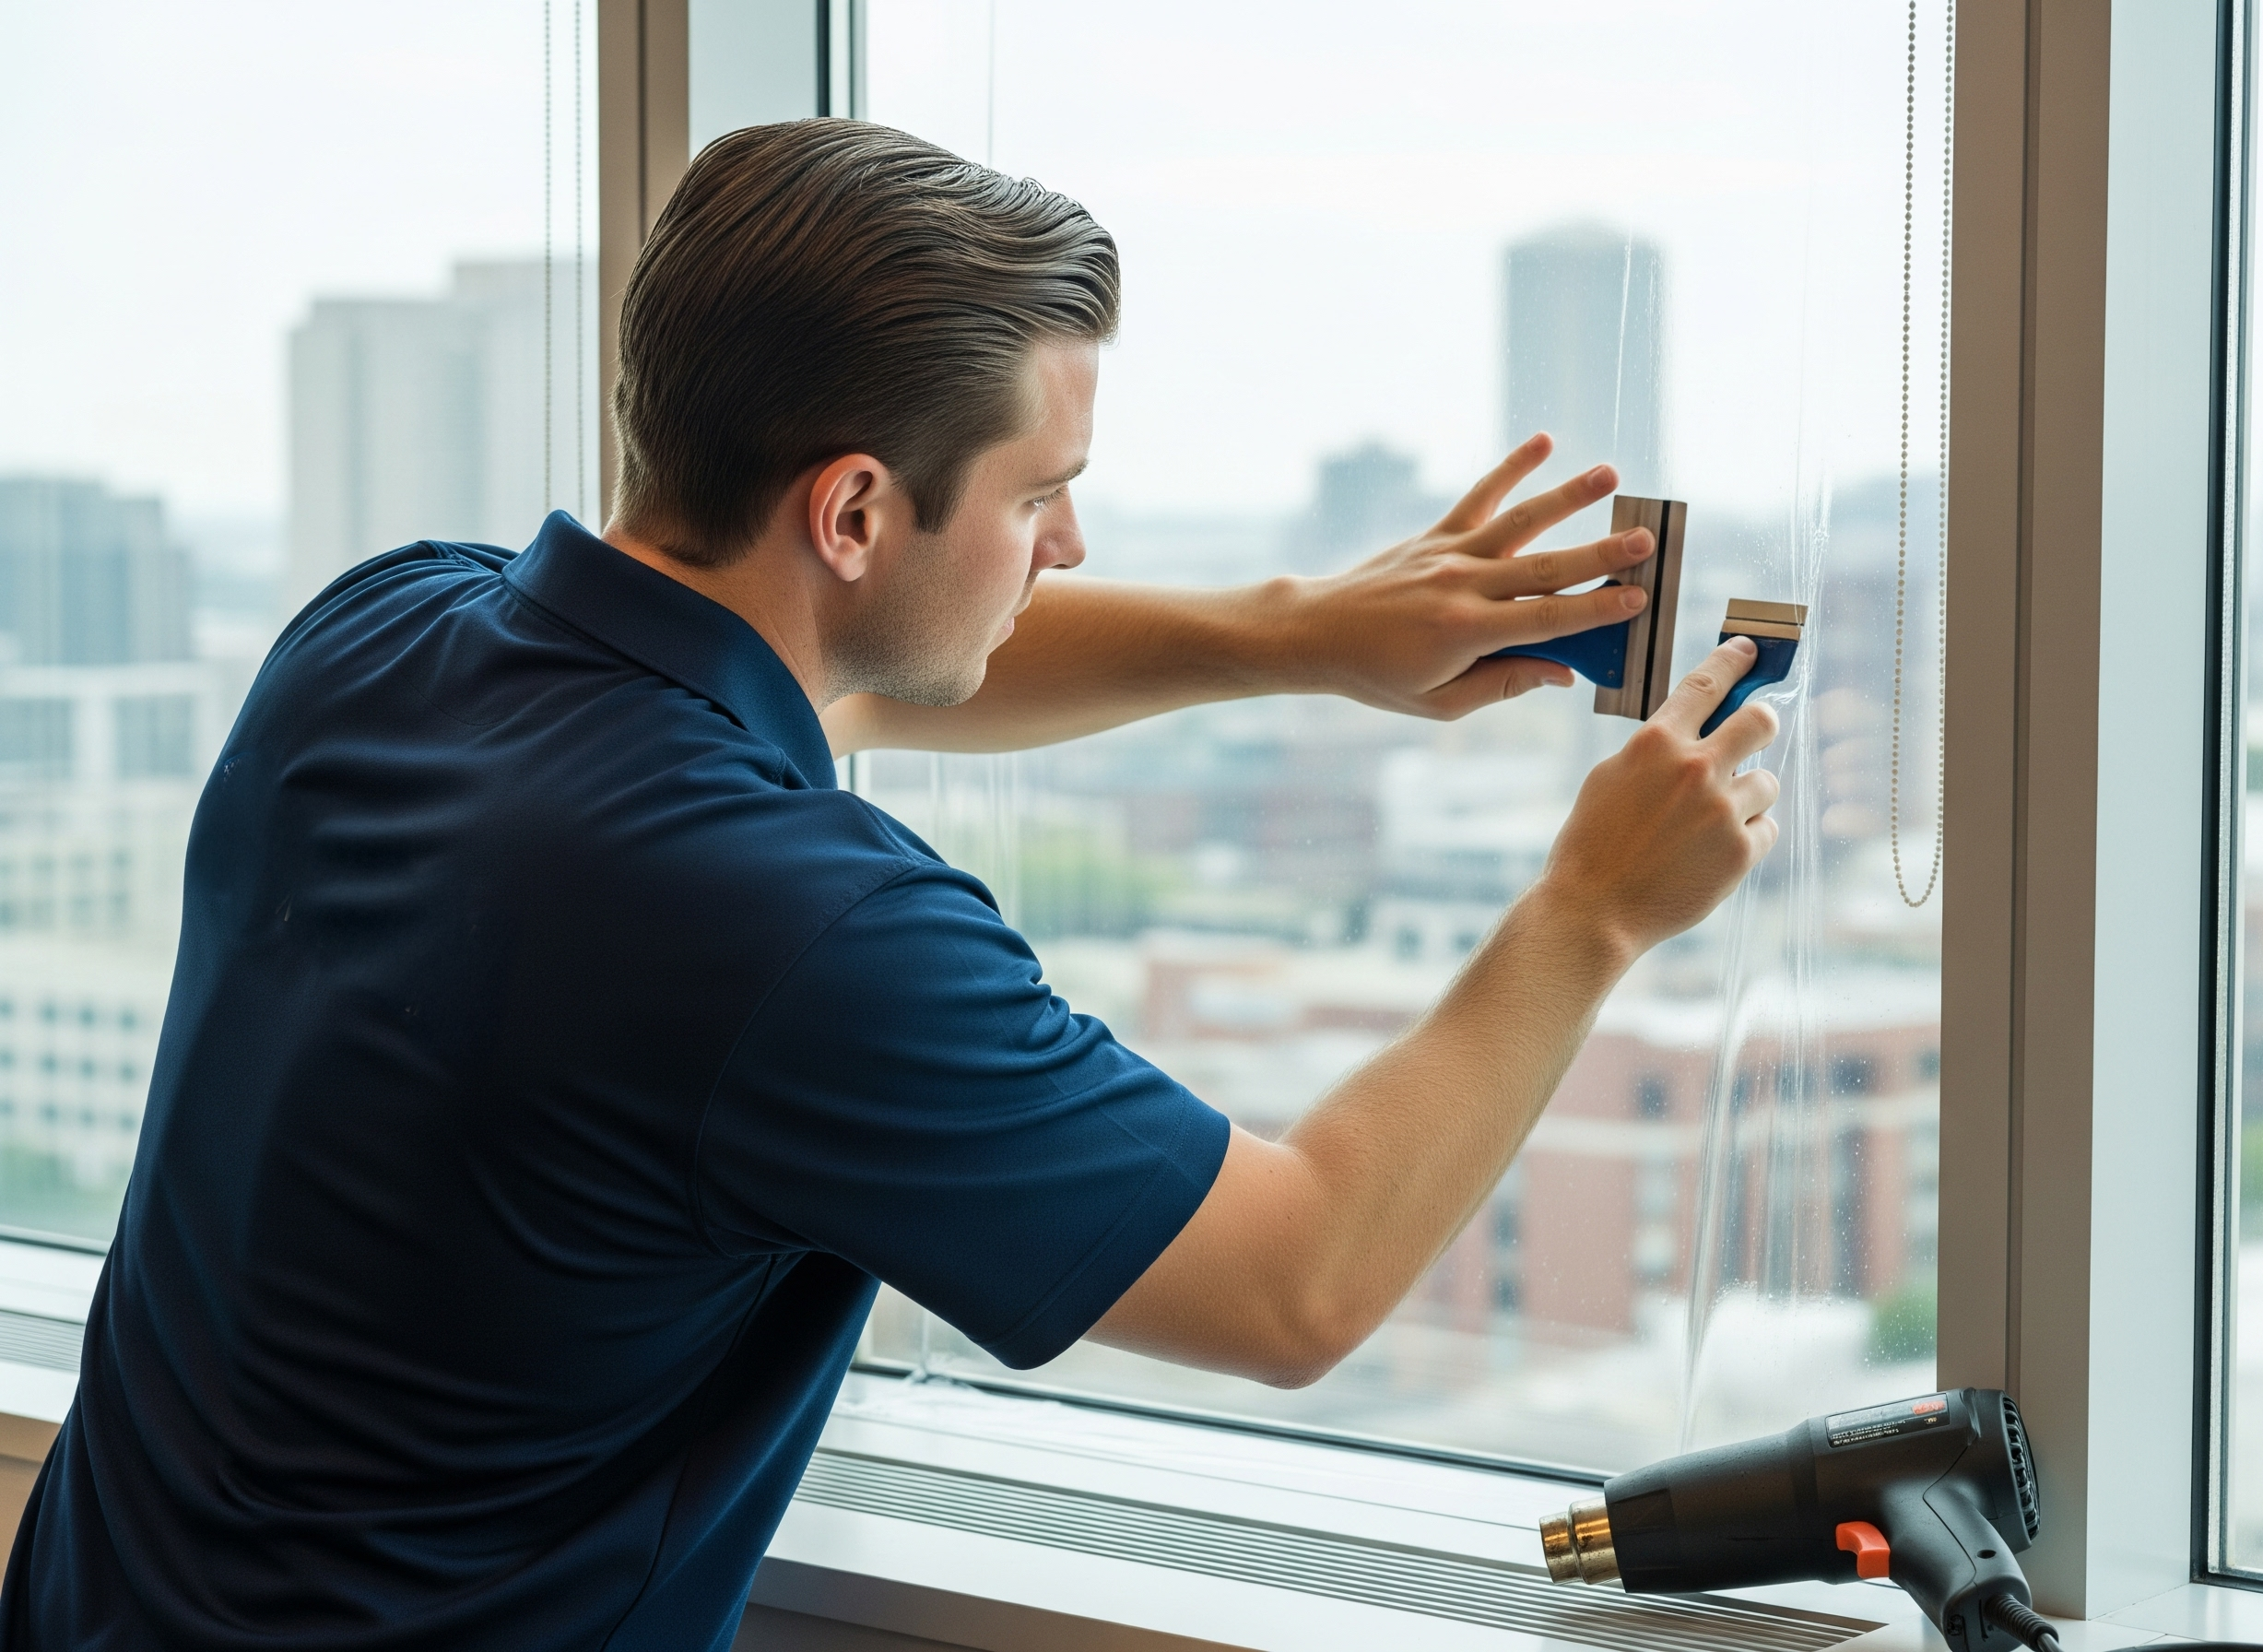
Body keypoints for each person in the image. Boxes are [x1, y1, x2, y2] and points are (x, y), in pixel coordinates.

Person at [0, 120, 1777, 1651]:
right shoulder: (799, 932)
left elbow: (843, 664)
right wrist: (1589, 910)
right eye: (1041, 495)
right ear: (852, 512)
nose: (1066, 546)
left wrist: (1301, 635)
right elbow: (1296, 1281)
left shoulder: (376, 635)